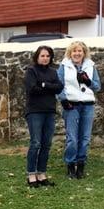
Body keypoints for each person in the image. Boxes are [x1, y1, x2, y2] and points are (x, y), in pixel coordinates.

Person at [57, 41, 101, 179]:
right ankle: (70, 164)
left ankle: (81, 165)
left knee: (85, 138)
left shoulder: (90, 66)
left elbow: (97, 87)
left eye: (79, 51)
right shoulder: (64, 66)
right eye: (74, 51)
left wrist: (88, 82)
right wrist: (64, 100)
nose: (77, 53)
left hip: (87, 105)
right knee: (72, 138)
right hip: (72, 105)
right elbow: (59, 85)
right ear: (70, 53)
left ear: (84, 52)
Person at [24, 45, 63, 187]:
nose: (45, 58)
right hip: (35, 111)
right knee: (36, 143)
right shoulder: (31, 71)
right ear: (37, 56)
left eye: (48, 56)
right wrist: (49, 87)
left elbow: (59, 87)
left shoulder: (53, 72)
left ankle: (41, 173)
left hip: (49, 111)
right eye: (42, 56)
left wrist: (44, 85)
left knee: (46, 144)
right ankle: (31, 174)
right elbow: (32, 89)